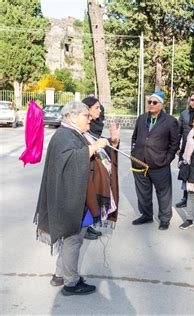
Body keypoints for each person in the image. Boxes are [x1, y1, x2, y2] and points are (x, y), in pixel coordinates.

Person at [34, 101, 119, 296]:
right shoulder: (64, 135)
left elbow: (92, 148)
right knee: (74, 239)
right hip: (70, 197)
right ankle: (70, 283)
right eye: (85, 116)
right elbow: (71, 159)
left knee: (71, 239)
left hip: (78, 194)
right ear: (72, 117)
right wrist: (95, 146)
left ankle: (59, 274)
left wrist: (111, 142)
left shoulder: (74, 133)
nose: (90, 119)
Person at [131, 91, 179, 230]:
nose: (151, 105)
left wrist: (167, 159)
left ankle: (164, 219)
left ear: (161, 105)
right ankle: (146, 215)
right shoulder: (141, 118)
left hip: (160, 164)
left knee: (163, 194)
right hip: (140, 163)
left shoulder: (170, 121)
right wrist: (134, 153)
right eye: (149, 102)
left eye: (154, 102)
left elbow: (174, 143)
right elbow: (135, 138)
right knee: (143, 193)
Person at [81, 96, 107, 240]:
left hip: (91, 166)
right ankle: (84, 227)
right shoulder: (83, 128)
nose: (100, 110)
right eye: (97, 107)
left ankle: (87, 225)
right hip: (85, 169)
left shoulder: (96, 122)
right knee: (85, 199)